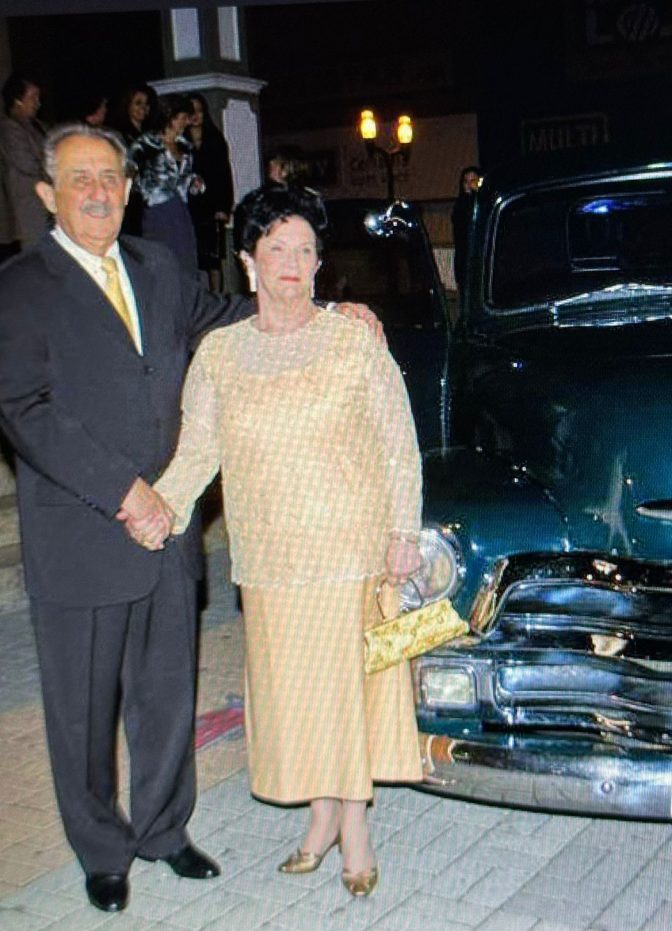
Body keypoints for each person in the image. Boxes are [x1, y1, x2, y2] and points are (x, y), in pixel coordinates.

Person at [0, 122, 380, 914]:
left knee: (166, 691)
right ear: (47, 196)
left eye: (110, 176)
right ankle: (102, 850)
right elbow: (24, 410)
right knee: (82, 710)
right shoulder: (19, 286)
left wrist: (326, 306)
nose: (99, 191)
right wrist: (127, 489)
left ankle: (166, 830)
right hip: (83, 532)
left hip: (169, 535)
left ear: (130, 190)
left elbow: (232, 316)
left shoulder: (158, 266)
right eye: (80, 179)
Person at [149, 184, 424, 898]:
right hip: (271, 559)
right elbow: (197, 448)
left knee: (347, 692)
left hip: (352, 551)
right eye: (277, 249)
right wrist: (161, 507)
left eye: (305, 250)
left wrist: (403, 530)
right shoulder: (220, 353)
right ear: (248, 262)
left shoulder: (352, 337)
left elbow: (399, 440)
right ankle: (320, 816)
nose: (293, 264)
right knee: (299, 697)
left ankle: (353, 826)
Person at [128, 94, 200, 275]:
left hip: (181, 210)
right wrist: (148, 191)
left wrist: (194, 182)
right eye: (182, 117)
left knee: (185, 260)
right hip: (157, 211)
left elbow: (184, 178)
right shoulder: (145, 145)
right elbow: (129, 175)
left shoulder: (185, 147)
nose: (186, 122)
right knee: (162, 261)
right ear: (169, 117)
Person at [185, 92, 233, 289]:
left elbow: (224, 175)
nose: (196, 115)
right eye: (191, 111)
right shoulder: (181, 142)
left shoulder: (215, 139)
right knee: (194, 258)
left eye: (199, 111)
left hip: (212, 209)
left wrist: (224, 207)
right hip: (189, 208)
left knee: (213, 260)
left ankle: (217, 299)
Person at [0, 74, 48, 247]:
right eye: (33, 97)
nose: (38, 103)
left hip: (46, 206)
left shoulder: (38, 125)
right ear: (17, 100)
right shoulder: (9, 129)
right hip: (29, 210)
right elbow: (27, 164)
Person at [450, 165, 481, 291]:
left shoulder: (481, 203)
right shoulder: (460, 205)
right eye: (465, 181)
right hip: (464, 257)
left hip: (480, 257)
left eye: (472, 181)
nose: (468, 185)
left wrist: (477, 193)